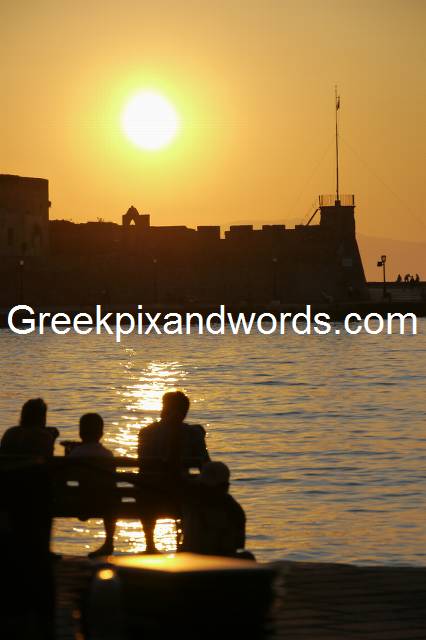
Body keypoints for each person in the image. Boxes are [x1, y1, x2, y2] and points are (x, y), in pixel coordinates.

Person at [137, 391, 210, 552]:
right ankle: (187, 542)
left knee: (146, 485)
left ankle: (150, 544)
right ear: (184, 412)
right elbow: (206, 466)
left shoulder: (146, 432)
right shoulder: (193, 433)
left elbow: (143, 467)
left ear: (165, 408)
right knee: (195, 490)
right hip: (182, 494)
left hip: (150, 494)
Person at [182, 461, 253, 558]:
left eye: (203, 486)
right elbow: (239, 544)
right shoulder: (234, 509)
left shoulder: (194, 502)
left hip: (211, 559)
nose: (201, 488)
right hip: (202, 558)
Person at [69, 413, 116, 558]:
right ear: (101, 433)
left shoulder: (75, 454)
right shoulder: (108, 455)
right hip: (104, 503)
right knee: (110, 497)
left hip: (79, 502)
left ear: (80, 433)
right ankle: (109, 542)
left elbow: (67, 477)